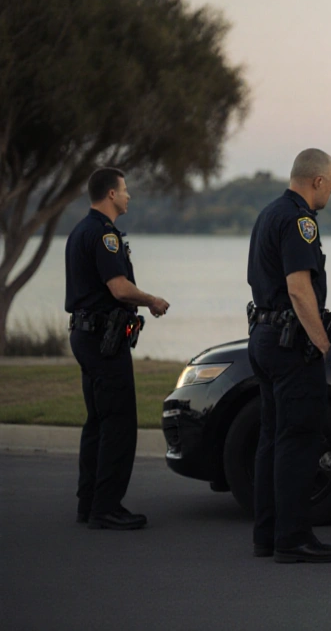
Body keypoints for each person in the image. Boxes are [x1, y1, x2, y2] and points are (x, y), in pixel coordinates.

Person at [245, 148, 331, 563]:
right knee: (299, 441)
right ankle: (294, 538)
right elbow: (299, 287)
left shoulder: (269, 213)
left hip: (264, 337)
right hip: (290, 344)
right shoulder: (300, 221)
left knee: (271, 439)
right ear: (318, 181)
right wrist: (321, 342)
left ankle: (266, 534)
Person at [65, 168, 170, 530]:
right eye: (125, 191)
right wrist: (152, 300)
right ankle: (106, 507)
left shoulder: (81, 230)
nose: (128, 197)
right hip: (102, 341)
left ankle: (89, 502)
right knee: (119, 422)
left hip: (87, 336)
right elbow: (120, 288)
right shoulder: (104, 234)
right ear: (110, 194)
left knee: (97, 420)